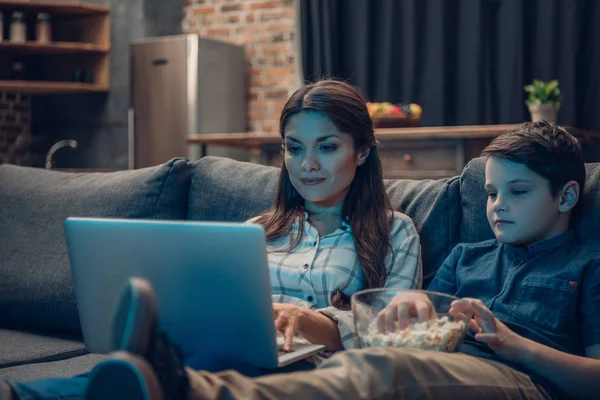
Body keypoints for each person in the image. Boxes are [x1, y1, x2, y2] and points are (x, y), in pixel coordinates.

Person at [8, 120, 597, 400]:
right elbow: (413, 317)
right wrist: (411, 304)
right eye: (491, 193)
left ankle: (175, 385)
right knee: (339, 370)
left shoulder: (587, 268)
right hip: (435, 366)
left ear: (567, 196)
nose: (496, 206)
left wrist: (511, 343)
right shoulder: (468, 256)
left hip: (520, 381)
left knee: (377, 374)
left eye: (516, 194)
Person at [1, 79, 423, 400]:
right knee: (191, 356)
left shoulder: (394, 231)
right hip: (228, 351)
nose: (307, 164)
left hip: (314, 369)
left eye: (326, 148)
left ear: (362, 152)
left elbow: (392, 339)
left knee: (190, 370)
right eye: (294, 149)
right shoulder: (257, 229)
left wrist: (318, 322)